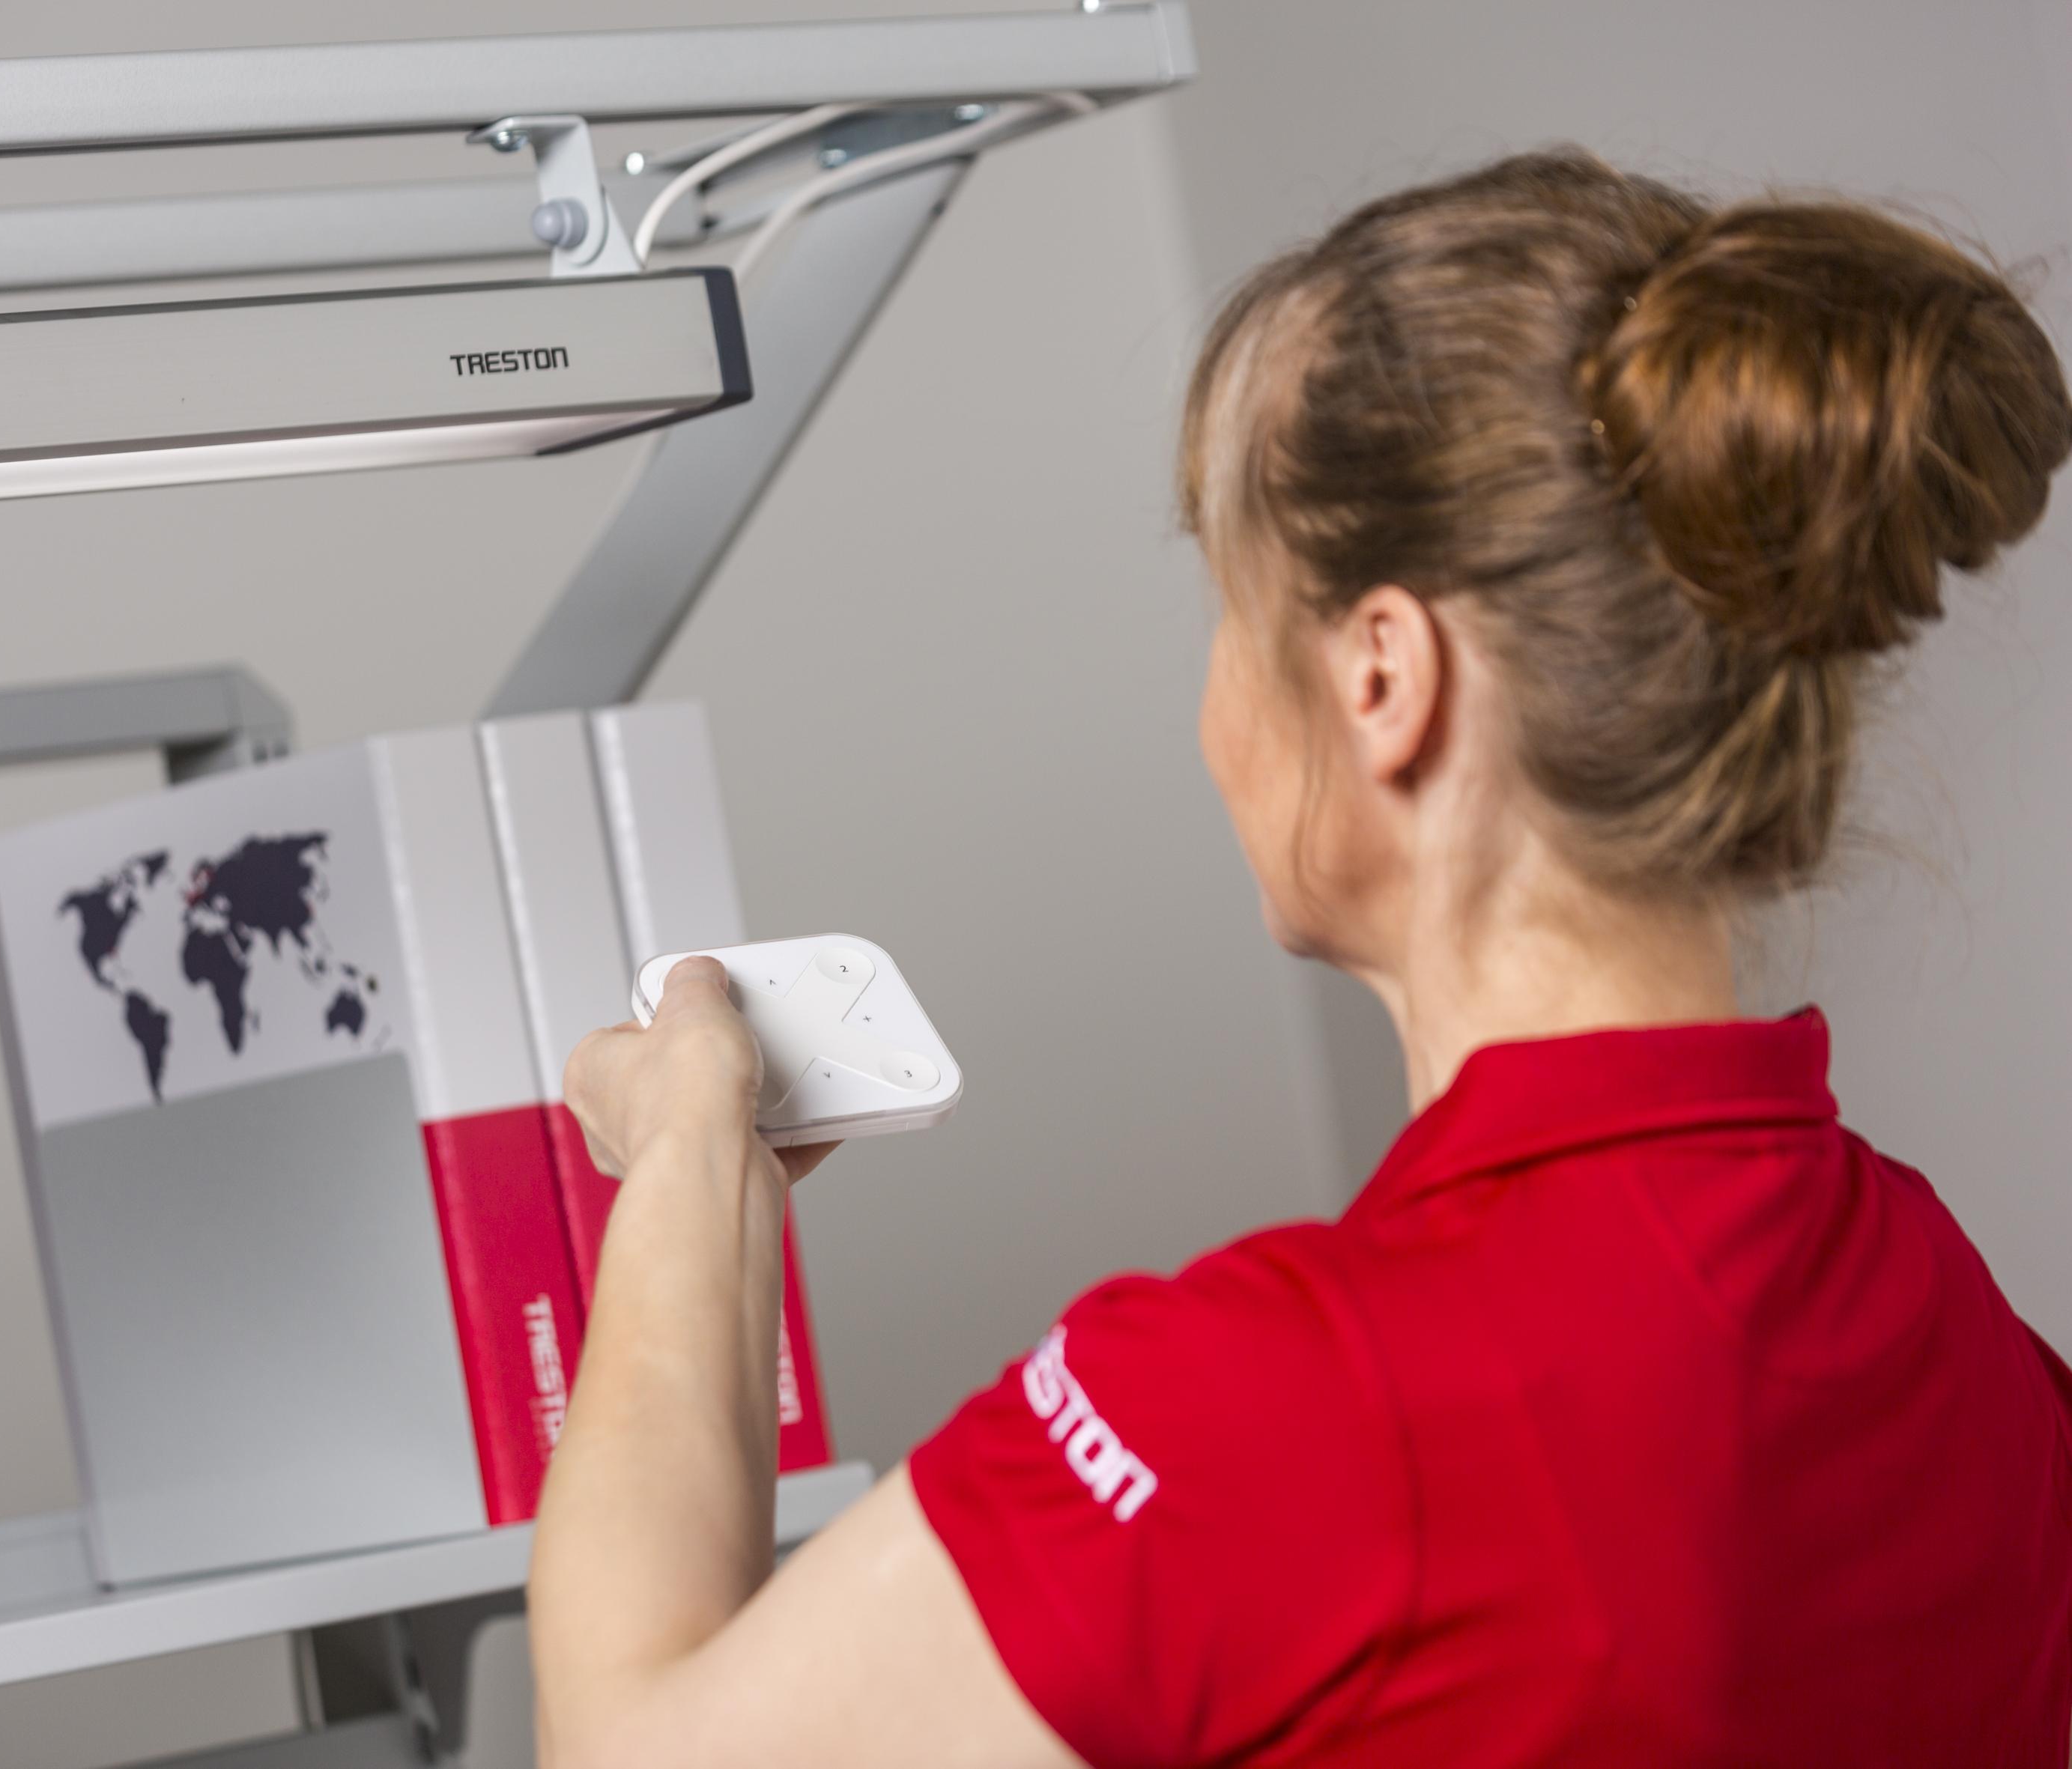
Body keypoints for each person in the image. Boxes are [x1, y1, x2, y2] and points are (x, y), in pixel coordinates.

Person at [527, 149, 2072, 1767]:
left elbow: (626, 1749)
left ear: (1381, 679)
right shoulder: (1948, 1314)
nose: (1212, 705)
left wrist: (690, 1147)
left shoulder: (1273, 1402)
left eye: (1231, 605)